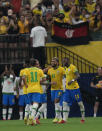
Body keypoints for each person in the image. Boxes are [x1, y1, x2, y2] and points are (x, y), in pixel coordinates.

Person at [59, 57, 85, 124]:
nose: (63, 63)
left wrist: (72, 80)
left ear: (68, 61)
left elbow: (78, 75)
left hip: (75, 89)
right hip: (67, 89)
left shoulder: (73, 67)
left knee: (80, 104)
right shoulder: (65, 68)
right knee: (65, 103)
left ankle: (83, 118)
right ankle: (64, 120)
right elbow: (65, 77)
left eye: (64, 61)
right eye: (63, 62)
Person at [23, 58, 46, 125]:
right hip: (37, 89)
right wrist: (39, 81)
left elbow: (23, 78)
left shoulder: (27, 70)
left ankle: (31, 119)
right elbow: (44, 79)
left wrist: (26, 84)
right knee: (36, 104)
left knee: (30, 104)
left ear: (30, 64)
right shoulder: (39, 70)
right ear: (36, 64)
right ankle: (32, 117)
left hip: (29, 89)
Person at [47, 57, 65, 123]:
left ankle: (56, 117)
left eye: (53, 61)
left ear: (57, 62)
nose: (52, 62)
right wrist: (49, 84)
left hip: (60, 88)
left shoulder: (62, 69)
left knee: (56, 101)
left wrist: (64, 88)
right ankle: (60, 118)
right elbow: (48, 80)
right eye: (51, 61)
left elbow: (64, 79)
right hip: (53, 89)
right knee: (55, 103)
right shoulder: (49, 70)